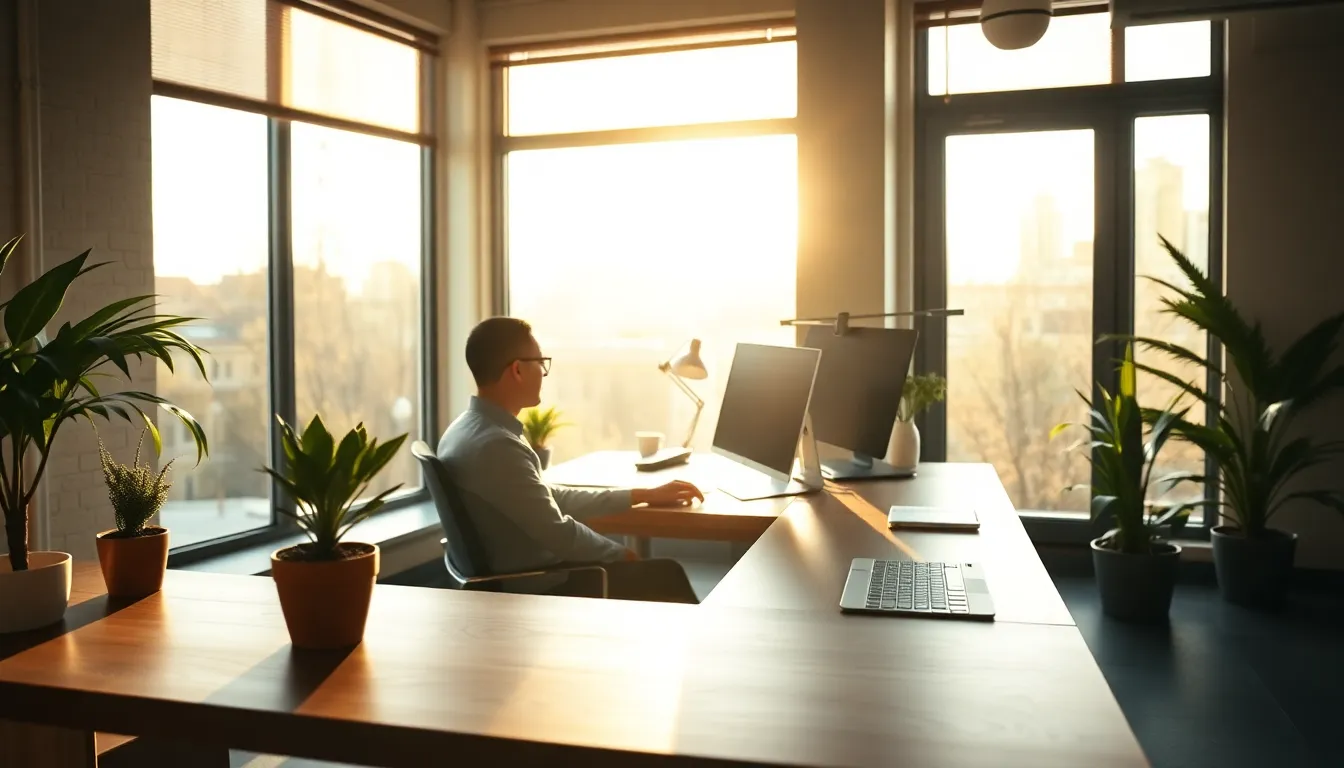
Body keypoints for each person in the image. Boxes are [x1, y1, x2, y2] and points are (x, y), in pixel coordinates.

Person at [437, 316, 704, 603]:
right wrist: (620, 554)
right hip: (540, 585)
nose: (543, 371)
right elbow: (558, 532)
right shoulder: (497, 446)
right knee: (666, 575)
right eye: (540, 362)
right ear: (517, 370)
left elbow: (549, 498)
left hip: (522, 574)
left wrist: (641, 495)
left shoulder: (465, 430)